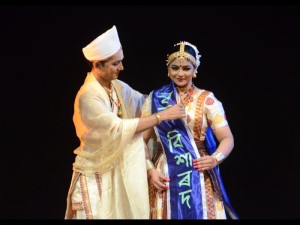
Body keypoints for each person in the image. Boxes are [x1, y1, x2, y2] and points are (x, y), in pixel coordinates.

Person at [64, 25, 186, 219]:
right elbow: (118, 128)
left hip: (115, 172)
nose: (121, 68)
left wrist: (175, 97)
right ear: (97, 65)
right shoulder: (88, 96)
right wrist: (161, 116)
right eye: (115, 64)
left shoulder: (116, 87)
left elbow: (145, 102)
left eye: (121, 62)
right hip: (94, 175)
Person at [142, 41, 239, 219]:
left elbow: (227, 139)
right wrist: (150, 171)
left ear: (195, 70)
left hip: (200, 174)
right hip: (165, 174)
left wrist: (214, 159)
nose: (180, 74)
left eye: (186, 68)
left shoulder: (208, 100)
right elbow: (140, 141)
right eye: (175, 68)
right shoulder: (154, 99)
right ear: (168, 69)